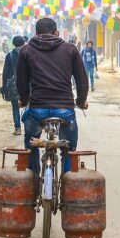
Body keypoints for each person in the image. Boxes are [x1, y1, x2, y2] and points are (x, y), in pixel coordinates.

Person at [17, 18, 89, 175]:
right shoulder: (70, 49)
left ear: (36, 34)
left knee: (31, 144)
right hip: (65, 110)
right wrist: (81, 101)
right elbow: (82, 80)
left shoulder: (26, 50)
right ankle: (68, 183)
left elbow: (21, 81)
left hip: (37, 110)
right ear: (56, 33)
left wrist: (24, 99)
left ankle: (33, 179)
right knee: (69, 148)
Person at [1, 36, 25, 135]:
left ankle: (18, 128)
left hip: (14, 86)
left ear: (13, 44)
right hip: (28, 85)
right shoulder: (29, 53)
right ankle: (29, 126)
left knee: (15, 106)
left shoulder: (9, 55)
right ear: (23, 43)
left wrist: (4, 87)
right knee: (29, 105)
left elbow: (5, 73)